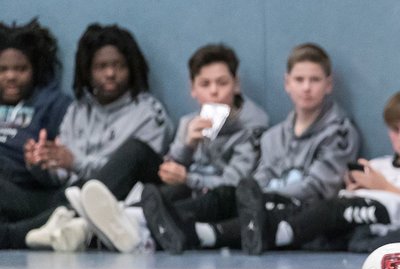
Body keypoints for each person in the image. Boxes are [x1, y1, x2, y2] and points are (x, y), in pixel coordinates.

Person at [141, 42, 359, 255]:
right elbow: (260, 176)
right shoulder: (275, 136)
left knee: (236, 196)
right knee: (230, 195)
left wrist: (256, 196)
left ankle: (176, 229)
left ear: (328, 84)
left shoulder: (339, 132)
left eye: (315, 80)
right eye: (299, 79)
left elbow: (317, 187)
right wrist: (187, 145)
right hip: (257, 201)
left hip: (301, 209)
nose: (306, 87)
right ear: (287, 83)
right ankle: (158, 221)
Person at [75, 43, 269, 253]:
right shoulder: (189, 122)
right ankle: (86, 217)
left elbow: (235, 182)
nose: (214, 91)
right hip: (184, 190)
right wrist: (188, 146)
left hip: (218, 198)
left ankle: (124, 218)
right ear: (193, 89)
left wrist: (188, 178)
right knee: (138, 152)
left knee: (214, 194)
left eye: (222, 83)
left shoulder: (252, 125)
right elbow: (170, 168)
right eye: (205, 84)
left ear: (236, 84)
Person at [0, 23, 173, 250]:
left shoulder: (149, 112)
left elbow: (130, 171)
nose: (110, 73)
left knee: (135, 151)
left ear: (131, 68)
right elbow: (60, 176)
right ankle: (51, 227)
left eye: (118, 65)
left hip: (115, 200)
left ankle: (16, 236)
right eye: (101, 67)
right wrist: (41, 165)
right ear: (87, 71)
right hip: (63, 198)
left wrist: (76, 162)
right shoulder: (77, 111)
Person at [246, 88, 400, 254]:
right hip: (353, 219)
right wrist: (353, 188)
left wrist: (384, 187)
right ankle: (217, 233)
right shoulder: (378, 165)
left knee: (333, 209)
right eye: (396, 130)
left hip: (392, 216)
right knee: (294, 211)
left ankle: (276, 234)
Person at [0, 19, 71, 191]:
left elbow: (62, 168)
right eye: (2, 69)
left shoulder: (54, 104)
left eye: (21, 69)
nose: (11, 77)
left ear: (35, 70)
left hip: (26, 188)